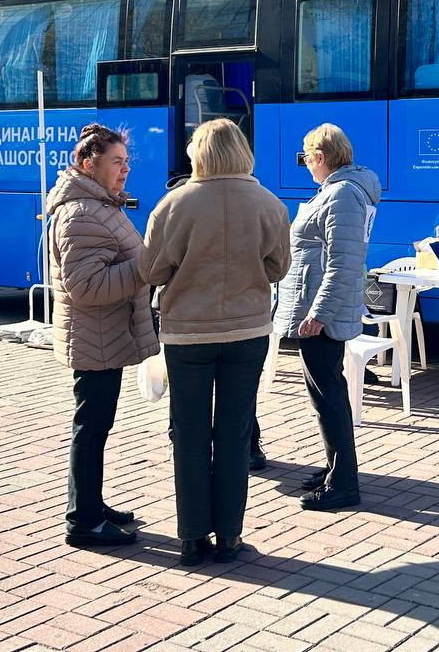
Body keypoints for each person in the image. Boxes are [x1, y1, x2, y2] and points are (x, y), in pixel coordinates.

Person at [141, 119, 290, 565]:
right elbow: (277, 268)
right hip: (247, 332)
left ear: (198, 153)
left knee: (188, 433)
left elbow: (151, 271)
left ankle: (190, 536)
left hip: (188, 333)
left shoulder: (173, 204)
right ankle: (229, 536)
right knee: (234, 432)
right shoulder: (268, 203)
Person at [48, 123, 159, 549]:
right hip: (95, 340)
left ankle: (92, 505)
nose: (125, 170)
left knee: (96, 427)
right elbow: (86, 287)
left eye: (127, 162)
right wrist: (145, 266)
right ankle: (83, 521)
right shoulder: (81, 214)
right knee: (90, 429)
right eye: (117, 162)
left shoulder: (98, 205)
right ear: (87, 163)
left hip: (104, 338)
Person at [274, 123, 380, 512]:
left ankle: (344, 483)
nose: (305, 166)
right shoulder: (341, 192)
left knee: (329, 397)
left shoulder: (342, 196)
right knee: (326, 395)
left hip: (321, 314)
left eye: (305, 158)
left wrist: (318, 313)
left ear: (320, 157)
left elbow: (342, 263)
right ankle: (336, 469)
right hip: (318, 308)